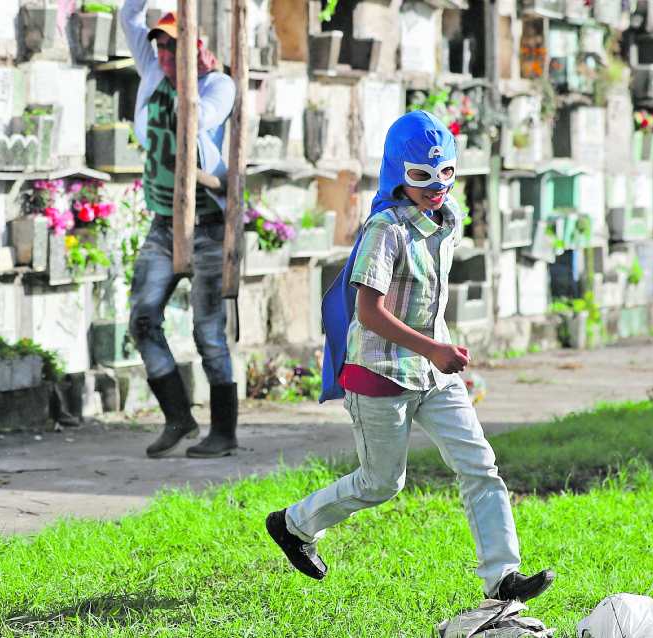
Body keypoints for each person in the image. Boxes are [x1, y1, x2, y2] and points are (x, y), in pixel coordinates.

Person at [264, 112, 556, 602]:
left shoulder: (447, 220)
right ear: (398, 173)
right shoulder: (386, 230)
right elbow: (369, 313)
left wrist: (437, 349)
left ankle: (503, 579)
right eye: (421, 175)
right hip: (379, 373)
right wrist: (434, 349)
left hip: (432, 374)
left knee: (479, 465)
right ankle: (293, 525)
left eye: (445, 174)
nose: (435, 186)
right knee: (381, 483)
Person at [121, 1, 239, 458]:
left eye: (175, 45)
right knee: (143, 319)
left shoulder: (218, 85)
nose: (165, 53)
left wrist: (186, 79)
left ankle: (224, 432)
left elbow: (199, 119)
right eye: (161, 46)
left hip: (208, 222)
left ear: (194, 47)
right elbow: (129, 20)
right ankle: (178, 417)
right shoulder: (152, 72)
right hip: (163, 222)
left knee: (208, 332)